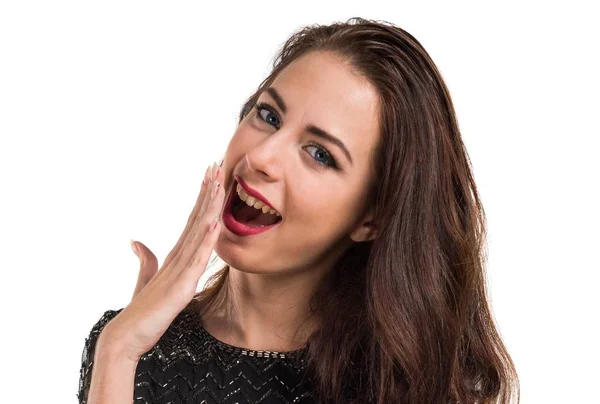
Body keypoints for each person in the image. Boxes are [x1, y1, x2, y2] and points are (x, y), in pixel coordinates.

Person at [77, 17, 520, 404]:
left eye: (319, 154)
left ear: (372, 218)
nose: (263, 158)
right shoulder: (128, 347)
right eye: (268, 116)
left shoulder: (410, 388)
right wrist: (119, 353)